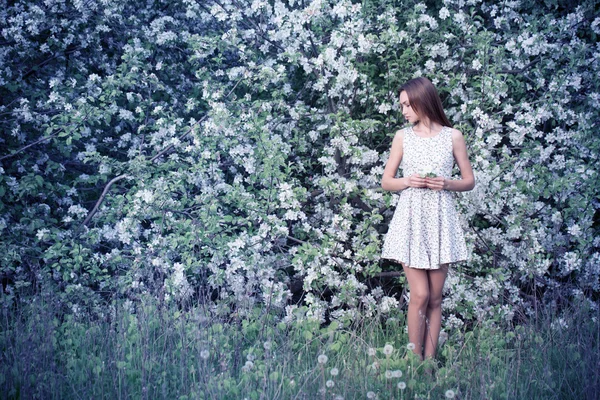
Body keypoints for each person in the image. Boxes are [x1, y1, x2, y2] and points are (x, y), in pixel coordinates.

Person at [380, 77, 475, 360]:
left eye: (408, 105)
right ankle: (414, 360)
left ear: (423, 100)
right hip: (411, 220)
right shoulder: (403, 137)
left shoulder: (452, 136)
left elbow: (469, 181)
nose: (404, 111)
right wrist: (407, 180)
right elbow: (386, 181)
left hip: (440, 220)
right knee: (420, 294)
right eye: (402, 106)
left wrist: (447, 183)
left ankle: (429, 364)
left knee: (435, 297)